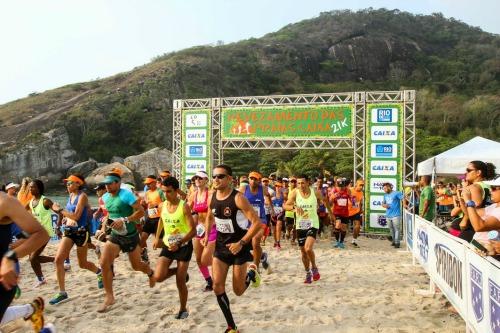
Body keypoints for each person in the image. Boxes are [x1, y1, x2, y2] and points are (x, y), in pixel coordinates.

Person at [206, 164, 262, 333]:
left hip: (239, 247)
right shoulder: (212, 197)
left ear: (230, 179)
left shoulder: (238, 198)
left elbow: (257, 223)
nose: (216, 179)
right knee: (217, 286)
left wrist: (242, 243)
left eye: (220, 176)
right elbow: (210, 217)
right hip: (221, 248)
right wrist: (207, 236)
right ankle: (232, 326)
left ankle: (251, 273)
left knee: (238, 291)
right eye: (214, 176)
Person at [98, 172, 154, 312]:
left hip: (130, 235)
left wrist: (125, 220)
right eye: (106, 183)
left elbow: (141, 212)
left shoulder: (126, 195)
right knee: (104, 263)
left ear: (117, 183)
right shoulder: (105, 197)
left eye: (110, 183)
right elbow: (110, 216)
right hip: (116, 235)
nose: (107, 186)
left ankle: (150, 272)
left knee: (136, 266)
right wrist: (103, 229)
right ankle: (109, 296)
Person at [0, 190, 52, 331]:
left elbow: (38, 233)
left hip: (4, 276)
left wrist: (10, 255)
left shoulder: (5, 202)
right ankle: (32, 310)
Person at [50, 174, 102, 305]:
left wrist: (60, 210)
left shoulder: (82, 196)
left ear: (78, 184)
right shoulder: (71, 196)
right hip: (68, 231)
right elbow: (68, 214)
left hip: (80, 233)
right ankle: (62, 293)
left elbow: (76, 216)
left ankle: (99, 272)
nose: (67, 185)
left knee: (82, 264)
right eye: (67, 183)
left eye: (70, 183)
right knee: (58, 260)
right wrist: (59, 223)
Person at [151, 177, 196, 319]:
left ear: (176, 191)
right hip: (168, 244)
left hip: (183, 245)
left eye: (169, 191)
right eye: (163, 192)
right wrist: (157, 237)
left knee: (180, 281)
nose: (166, 195)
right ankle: (180, 272)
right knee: (157, 277)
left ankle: (183, 309)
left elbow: (193, 231)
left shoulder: (184, 206)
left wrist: (180, 242)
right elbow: (161, 221)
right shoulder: (163, 205)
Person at [283, 174, 333, 284]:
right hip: (300, 225)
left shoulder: (315, 192)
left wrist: (331, 214)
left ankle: (314, 267)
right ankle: (307, 273)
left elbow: (325, 201)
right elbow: (285, 206)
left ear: (308, 182)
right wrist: (294, 208)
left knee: (308, 248)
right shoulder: (295, 192)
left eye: (303, 183)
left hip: (313, 223)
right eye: (298, 183)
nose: (300, 185)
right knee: (303, 253)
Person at [239, 171, 274, 271]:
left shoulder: (263, 188)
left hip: (260, 220)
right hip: (247, 220)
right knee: (248, 246)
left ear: (259, 181)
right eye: (251, 178)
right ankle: (262, 257)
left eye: (256, 179)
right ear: (248, 179)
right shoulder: (243, 189)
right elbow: (236, 200)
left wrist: (272, 209)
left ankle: (256, 267)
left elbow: (268, 196)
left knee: (255, 241)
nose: (253, 181)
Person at [188, 170, 216, 291]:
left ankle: (218, 274)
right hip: (199, 229)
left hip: (212, 228)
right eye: (195, 178)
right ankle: (209, 281)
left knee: (206, 259)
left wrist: (207, 231)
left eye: (200, 178)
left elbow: (210, 215)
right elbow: (186, 209)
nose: (197, 180)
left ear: (206, 180)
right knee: (199, 259)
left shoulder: (210, 194)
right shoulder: (193, 195)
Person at [26, 180, 56, 287]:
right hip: (35, 233)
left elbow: (59, 212)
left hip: (45, 233)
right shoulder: (30, 202)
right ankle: (55, 260)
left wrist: (58, 225)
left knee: (33, 258)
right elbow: (21, 211)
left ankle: (41, 279)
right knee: (32, 258)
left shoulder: (45, 201)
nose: (30, 189)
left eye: (33, 187)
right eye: (29, 187)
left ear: (39, 188)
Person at [458, 161, 496, 242]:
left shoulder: (474, 187)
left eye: (468, 170)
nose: (466, 173)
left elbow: (474, 211)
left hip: (476, 227)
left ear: (478, 172)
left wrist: (464, 220)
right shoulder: (490, 186)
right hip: (491, 224)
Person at [462, 176, 500, 253]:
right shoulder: (495, 206)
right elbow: (471, 214)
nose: (490, 191)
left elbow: (479, 226)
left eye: (493, 188)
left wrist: (469, 201)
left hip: (485, 252)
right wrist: (462, 199)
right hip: (479, 247)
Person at [140, 175, 166, 263]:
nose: (147, 185)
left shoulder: (160, 191)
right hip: (150, 218)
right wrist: (143, 204)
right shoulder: (147, 193)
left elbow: (166, 202)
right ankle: (144, 256)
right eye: (146, 184)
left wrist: (156, 205)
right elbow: (146, 205)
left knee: (158, 243)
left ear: (154, 183)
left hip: (159, 218)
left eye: (149, 183)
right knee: (142, 238)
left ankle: (169, 247)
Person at [330, 177, 352, 249]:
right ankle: (337, 241)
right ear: (336, 185)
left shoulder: (347, 190)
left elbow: (351, 198)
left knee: (343, 228)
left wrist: (353, 202)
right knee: (338, 224)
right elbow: (329, 202)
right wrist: (332, 197)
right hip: (336, 212)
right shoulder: (334, 190)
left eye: (342, 186)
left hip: (345, 212)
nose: (341, 188)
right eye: (339, 186)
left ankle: (341, 242)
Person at [382, 183, 405, 248]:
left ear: (389, 187)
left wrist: (405, 205)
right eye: (383, 189)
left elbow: (403, 198)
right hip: (388, 215)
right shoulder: (385, 195)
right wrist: (384, 205)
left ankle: (397, 243)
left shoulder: (397, 193)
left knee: (397, 229)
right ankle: (394, 241)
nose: (384, 190)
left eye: (385, 188)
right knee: (391, 229)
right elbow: (383, 203)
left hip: (396, 215)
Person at [348, 179, 364, 247]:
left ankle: (354, 241)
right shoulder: (350, 190)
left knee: (357, 226)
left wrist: (361, 209)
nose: (361, 187)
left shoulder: (361, 193)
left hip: (356, 211)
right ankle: (340, 240)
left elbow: (359, 202)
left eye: (362, 186)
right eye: (360, 185)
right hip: (347, 211)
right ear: (356, 184)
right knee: (343, 227)